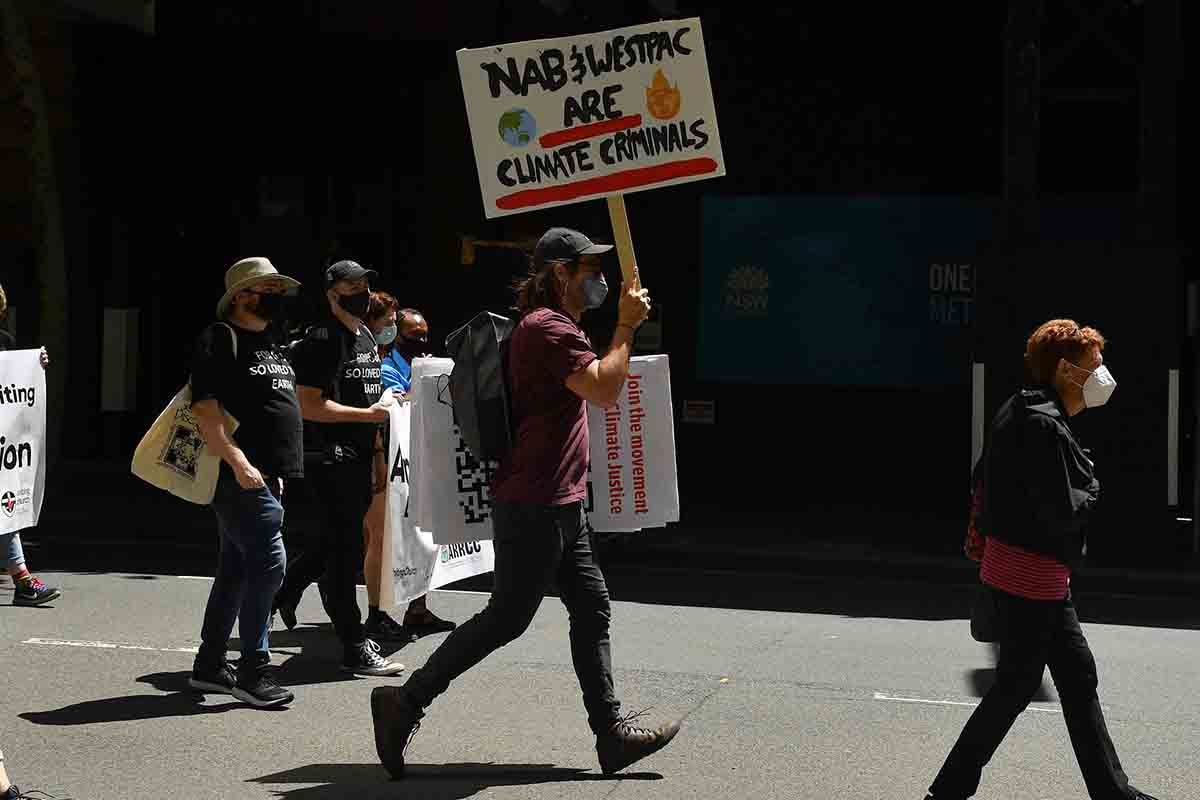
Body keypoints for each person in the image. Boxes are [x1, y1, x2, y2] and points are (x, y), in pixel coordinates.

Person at [370, 227, 680, 779]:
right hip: (535, 500)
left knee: (592, 607)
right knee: (506, 620)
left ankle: (610, 735)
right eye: (590, 270)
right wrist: (629, 324)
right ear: (561, 273)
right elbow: (604, 388)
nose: (600, 280)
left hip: (563, 501)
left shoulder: (557, 328)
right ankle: (404, 702)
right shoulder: (547, 329)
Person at [925, 319, 1160, 800]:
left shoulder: (1021, 409)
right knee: (1020, 686)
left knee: (1071, 678)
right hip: (1033, 581)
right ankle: (948, 790)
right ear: (1066, 371)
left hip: (1022, 575)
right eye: (1093, 365)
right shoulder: (1044, 426)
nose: (1101, 374)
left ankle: (1111, 791)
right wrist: (1093, 485)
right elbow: (1063, 510)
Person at [276, 261, 403, 677]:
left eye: (366, 283)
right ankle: (353, 643)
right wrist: (369, 418)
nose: (362, 291)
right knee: (344, 554)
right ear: (332, 292)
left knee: (338, 544)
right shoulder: (322, 341)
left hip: (361, 458)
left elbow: (366, 392)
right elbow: (309, 404)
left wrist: (384, 421)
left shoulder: (364, 334)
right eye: (352, 285)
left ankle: (287, 587)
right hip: (329, 461)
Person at [188, 258, 303, 708]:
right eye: (265, 288)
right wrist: (238, 461)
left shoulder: (270, 342)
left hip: (266, 477)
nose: (275, 295)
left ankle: (211, 664)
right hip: (241, 476)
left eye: (278, 288)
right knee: (270, 566)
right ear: (239, 296)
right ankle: (254, 670)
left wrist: (277, 473)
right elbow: (206, 410)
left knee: (236, 571)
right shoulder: (220, 338)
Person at [364, 297, 456, 639]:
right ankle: (378, 613)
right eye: (414, 333)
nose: (421, 339)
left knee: (424, 538)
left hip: (421, 462)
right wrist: (422, 387)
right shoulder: (388, 366)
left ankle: (417, 610)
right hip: (393, 465)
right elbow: (394, 405)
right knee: (390, 540)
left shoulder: (418, 362)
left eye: (425, 333)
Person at [0, 283, 58, 607]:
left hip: (1, 442)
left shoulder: (5, 342)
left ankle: (23, 580)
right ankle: (23, 581)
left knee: (3, 508)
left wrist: (37, 367)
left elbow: (14, 384)